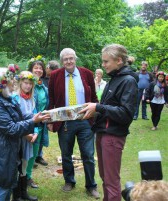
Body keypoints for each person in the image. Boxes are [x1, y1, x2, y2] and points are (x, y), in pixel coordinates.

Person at [79, 44, 138, 201]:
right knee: (105, 176)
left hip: (113, 135)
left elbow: (126, 114)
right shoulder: (114, 79)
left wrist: (98, 107)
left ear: (119, 60)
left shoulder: (128, 81)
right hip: (103, 133)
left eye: (106, 61)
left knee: (112, 181)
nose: (103, 65)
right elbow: (109, 108)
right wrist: (93, 111)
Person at [0, 65, 49, 201]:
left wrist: (36, 118)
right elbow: (11, 128)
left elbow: (19, 119)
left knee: (7, 185)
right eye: (11, 79)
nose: (14, 82)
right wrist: (33, 121)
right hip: (0, 152)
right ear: (3, 83)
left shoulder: (5, 100)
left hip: (8, 151)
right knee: (2, 187)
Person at [47, 48, 100, 199]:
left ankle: (91, 186)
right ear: (62, 61)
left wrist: (95, 114)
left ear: (75, 59)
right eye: (65, 59)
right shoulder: (55, 76)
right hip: (64, 122)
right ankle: (69, 181)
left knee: (88, 154)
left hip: (84, 120)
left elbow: (94, 97)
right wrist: (50, 120)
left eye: (71, 58)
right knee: (66, 154)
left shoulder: (87, 74)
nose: (69, 61)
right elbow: (51, 99)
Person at [12, 71, 38, 201]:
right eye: (26, 83)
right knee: (18, 163)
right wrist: (26, 134)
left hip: (29, 137)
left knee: (25, 164)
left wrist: (36, 132)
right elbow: (15, 120)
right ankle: (16, 196)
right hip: (19, 137)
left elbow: (35, 116)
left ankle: (24, 193)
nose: (28, 86)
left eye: (30, 84)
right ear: (20, 83)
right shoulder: (15, 98)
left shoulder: (32, 99)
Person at [27, 55, 49, 188]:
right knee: (26, 153)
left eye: (40, 68)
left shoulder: (44, 88)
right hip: (29, 124)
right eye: (36, 68)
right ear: (31, 69)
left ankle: (28, 177)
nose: (38, 70)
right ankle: (23, 178)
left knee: (34, 153)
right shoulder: (27, 86)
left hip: (41, 124)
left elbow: (46, 104)